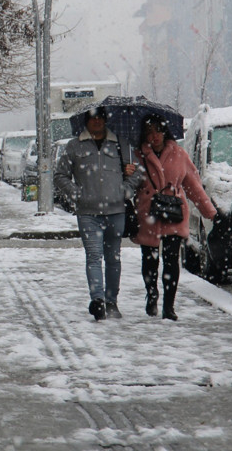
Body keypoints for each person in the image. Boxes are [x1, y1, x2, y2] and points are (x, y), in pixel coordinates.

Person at [53, 104, 141, 322]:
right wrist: (76, 194)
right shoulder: (74, 146)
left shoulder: (121, 144)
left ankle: (112, 301)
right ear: (86, 121)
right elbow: (60, 176)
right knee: (93, 256)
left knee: (113, 258)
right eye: (92, 118)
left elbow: (137, 172)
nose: (97, 122)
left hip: (116, 211)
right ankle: (98, 301)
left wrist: (126, 191)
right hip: (88, 213)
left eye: (100, 117)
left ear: (105, 120)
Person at [134, 114, 218, 321]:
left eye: (158, 130)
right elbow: (131, 184)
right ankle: (151, 293)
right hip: (149, 212)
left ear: (165, 131)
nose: (154, 136)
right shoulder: (138, 155)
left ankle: (169, 306)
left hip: (174, 211)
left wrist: (210, 211)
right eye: (149, 131)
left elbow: (193, 185)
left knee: (171, 260)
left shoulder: (179, 154)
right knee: (149, 259)